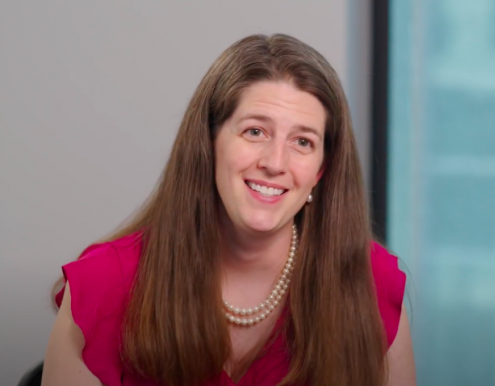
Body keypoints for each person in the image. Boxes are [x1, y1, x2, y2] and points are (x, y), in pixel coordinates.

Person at [41, 34, 416, 386]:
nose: (275, 162)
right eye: (255, 131)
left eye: (303, 141)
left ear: (320, 171)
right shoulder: (105, 284)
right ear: (209, 143)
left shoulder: (373, 285)